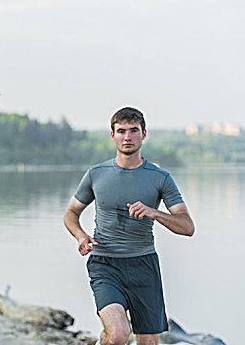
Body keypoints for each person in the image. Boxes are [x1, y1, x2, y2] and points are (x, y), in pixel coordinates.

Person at [63, 107, 195, 345]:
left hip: (144, 265)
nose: (127, 137)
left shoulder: (160, 178)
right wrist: (80, 236)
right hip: (105, 263)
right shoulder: (96, 174)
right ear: (112, 135)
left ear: (143, 134)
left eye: (133, 131)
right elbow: (71, 212)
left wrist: (154, 212)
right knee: (118, 335)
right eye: (121, 131)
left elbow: (187, 226)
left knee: (148, 342)